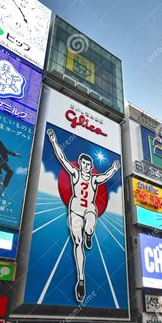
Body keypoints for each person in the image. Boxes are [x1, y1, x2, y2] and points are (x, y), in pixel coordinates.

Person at [46, 128, 120, 302]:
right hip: (75, 209)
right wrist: (54, 141)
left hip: (89, 209)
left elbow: (106, 175)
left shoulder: (94, 179)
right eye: (83, 164)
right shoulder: (75, 174)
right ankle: (80, 280)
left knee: (90, 221)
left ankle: (90, 233)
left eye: (88, 164)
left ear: (91, 166)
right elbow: (62, 158)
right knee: (77, 243)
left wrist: (115, 168)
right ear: (80, 165)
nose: (85, 167)